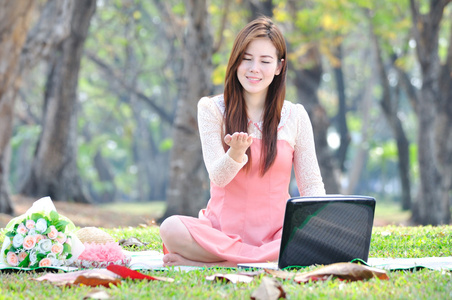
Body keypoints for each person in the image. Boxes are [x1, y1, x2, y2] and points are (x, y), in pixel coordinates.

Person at [159, 16, 325, 267]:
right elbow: (218, 177)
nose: (254, 68)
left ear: (279, 67)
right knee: (171, 228)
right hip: (219, 235)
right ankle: (261, 262)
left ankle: (218, 264)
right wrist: (235, 154)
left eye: (265, 61)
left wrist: (321, 223)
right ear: (235, 61)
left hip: (276, 237)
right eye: (246, 59)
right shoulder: (211, 109)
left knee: (317, 232)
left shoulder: (296, 116)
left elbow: (311, 186)